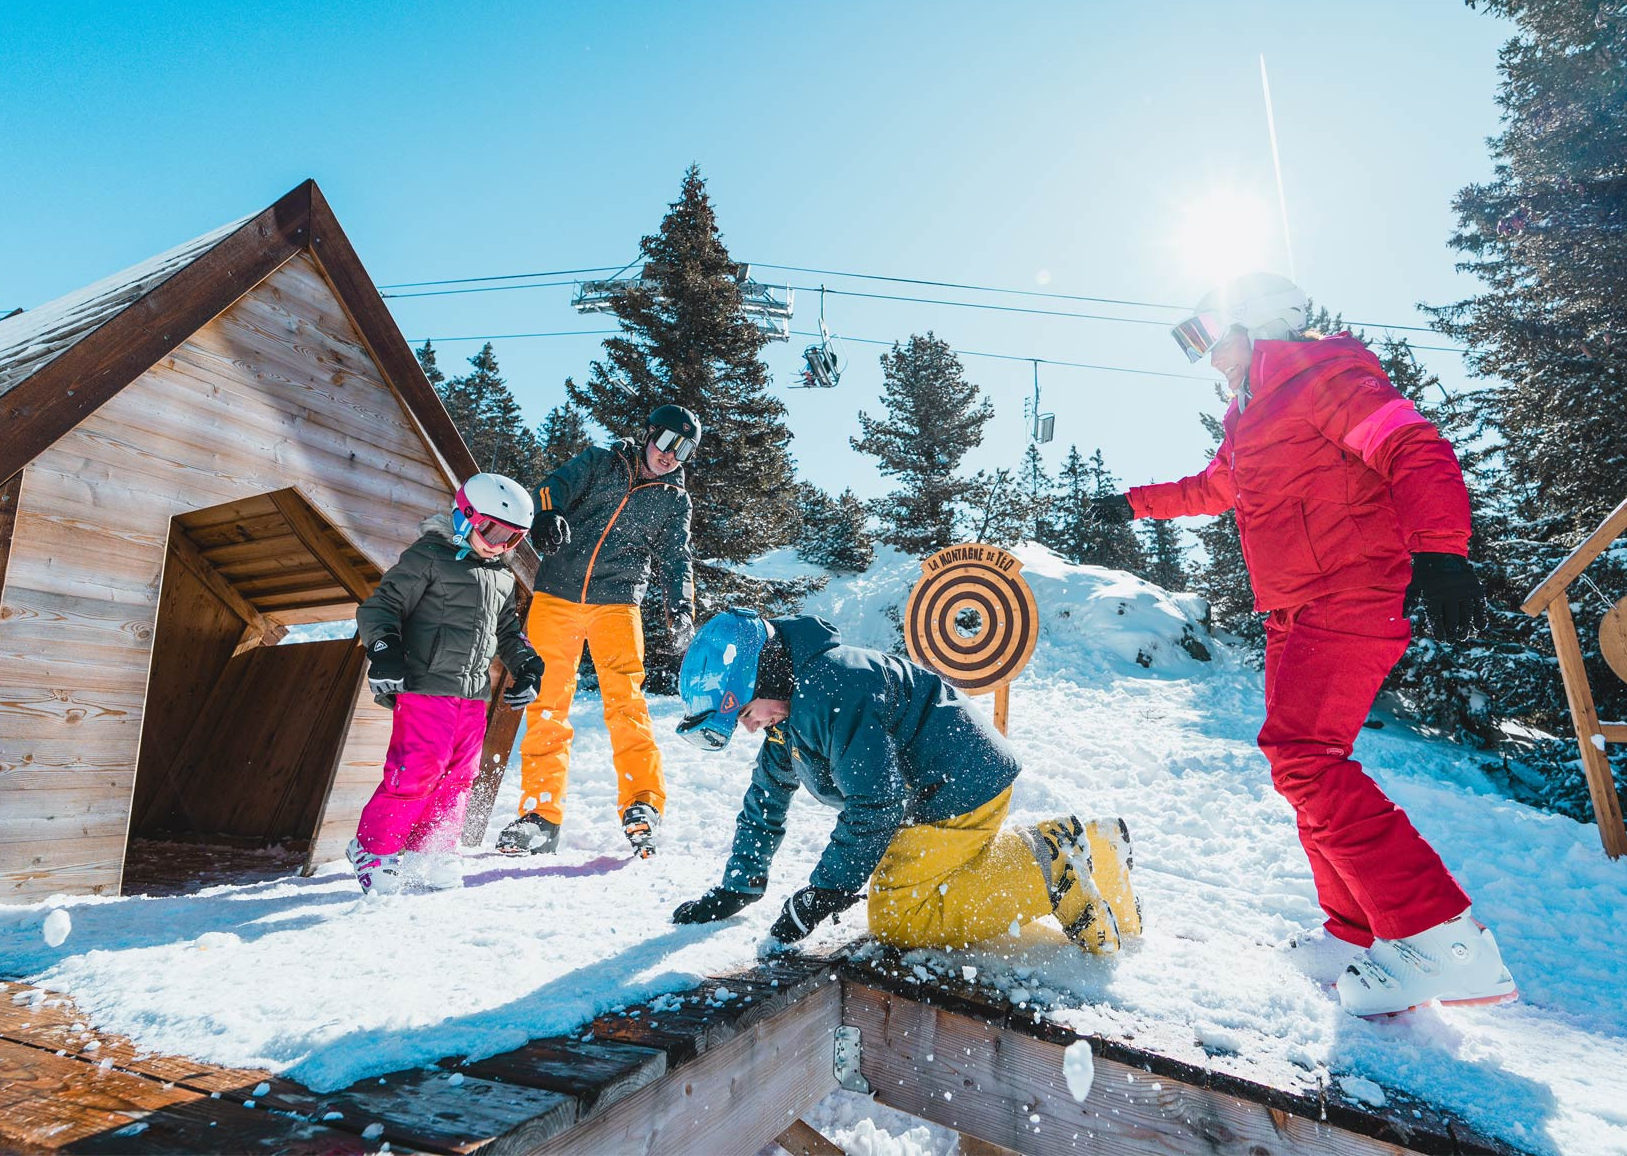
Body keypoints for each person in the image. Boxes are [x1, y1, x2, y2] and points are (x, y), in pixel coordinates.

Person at [1092, 271, 1515, 1017]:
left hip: (1350, 592)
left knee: (1306, 759)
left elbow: (1411, 446)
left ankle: (1442, 938)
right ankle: (1355, 932)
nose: (1208, 359)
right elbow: (1212, 489)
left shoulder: (1319, 378)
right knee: (1305, 760)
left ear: (1252, 325)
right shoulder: (1250, 418)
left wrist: (1443, 550)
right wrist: (1132, 506)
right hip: (1294, 610)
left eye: (1208, 339)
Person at [667, 610, 1142, 954]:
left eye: (746, 713)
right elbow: (765, 801)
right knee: (907, 891)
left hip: (956, 789)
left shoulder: (831, 688)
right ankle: (1097, 851)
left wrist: (824, 892)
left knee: (900, 917)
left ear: (764, 676)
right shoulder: (790, 711)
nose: (750, 727)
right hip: (950, 785)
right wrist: (739, 886)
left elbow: (877, 802)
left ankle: (1049, 863)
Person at [495, 406, 699, 860]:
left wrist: (681, 609)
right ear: (648, 434)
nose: (671, 455)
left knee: (626, 703)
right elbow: (551, 488)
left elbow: (676, 558)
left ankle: (643, 804)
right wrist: (547, 515)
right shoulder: (601, 462)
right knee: (547, 703)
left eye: (683, 449)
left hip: (618, 603)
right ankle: (539, 815)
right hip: (557, 595)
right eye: (666, 441)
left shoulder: (674, 499)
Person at [350, 473, 546, 895]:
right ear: (465, 515)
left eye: (512, 540)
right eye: (492, 530)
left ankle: (433, 849)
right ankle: (374, 849)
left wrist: (528, 665)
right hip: (425, 685)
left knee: (459, 777)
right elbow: (378, 608)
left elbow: (508, 634)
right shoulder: (429, 558)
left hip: (473, 695)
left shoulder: (502, 578)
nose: (498, 545)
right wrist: (384, 652)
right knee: (417, 769)